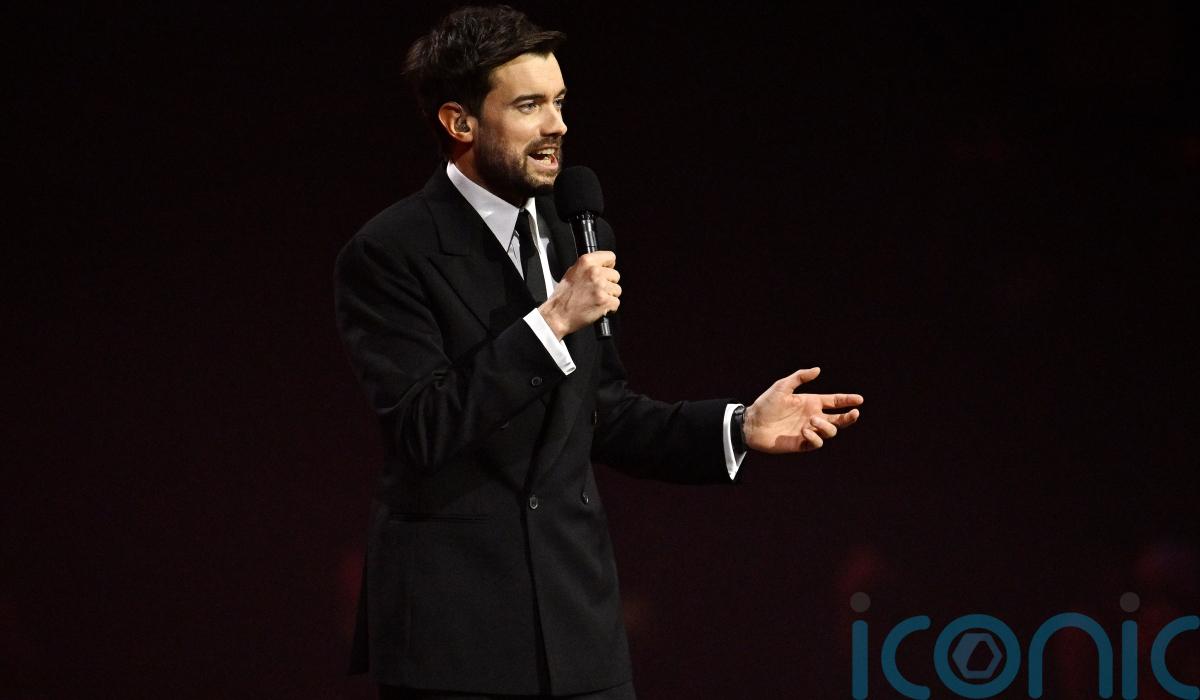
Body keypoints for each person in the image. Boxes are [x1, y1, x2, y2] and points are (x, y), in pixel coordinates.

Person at [332, 5, 864, 698]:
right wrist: (552, 322)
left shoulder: (574, 232)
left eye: (559, 102)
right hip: (454, 636)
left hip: (578, 633)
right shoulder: (388, 252)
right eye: (529, 105)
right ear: (460, 123)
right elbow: (420, 428)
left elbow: (602, 411)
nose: (556, 125)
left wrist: (737, 427)